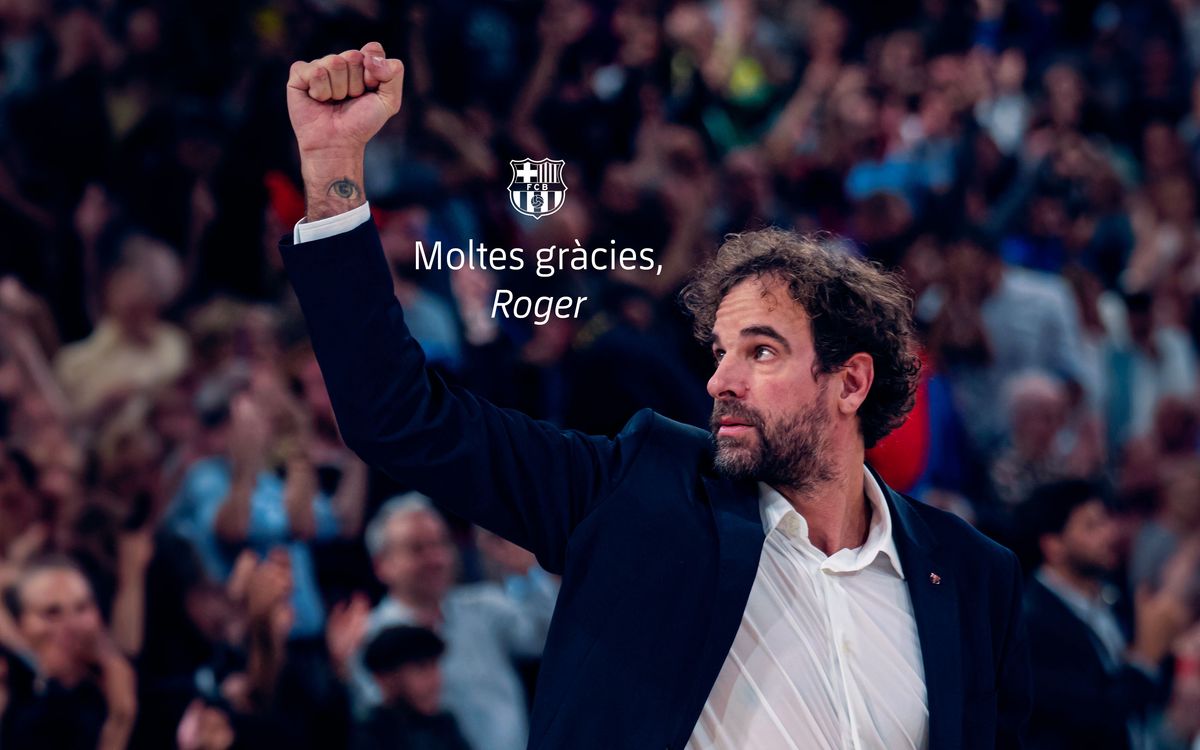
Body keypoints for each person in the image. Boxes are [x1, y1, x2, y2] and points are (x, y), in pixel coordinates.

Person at [279, 43, 1030, 749]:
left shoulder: (970, 574)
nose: (720, 381)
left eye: (761, 351)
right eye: (720, 352)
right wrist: (334, 171)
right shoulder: (638, 492)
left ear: (851, 382)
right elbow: (399, 417)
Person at [351, 493, 556, 750]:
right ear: (382, 564)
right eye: (417, 548)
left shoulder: (485, 607)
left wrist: (527, 571)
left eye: (441, 544)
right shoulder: (369, 636)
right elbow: (373, 716)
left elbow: (548, 639)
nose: (435, 559)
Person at [1019, 479, 1191, 750]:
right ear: (1053, 545)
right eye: (1091, 526)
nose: (1109, 533)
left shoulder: (1113, 595)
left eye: (1106, 521)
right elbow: (1088, 716)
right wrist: (1145, 659)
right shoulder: (1033, 620)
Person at [354, 625, 471, 750]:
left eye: (435, 667)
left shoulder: (444, 726)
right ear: (384, 678)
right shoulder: (367, 736)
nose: (436, 681)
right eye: (421, 668)